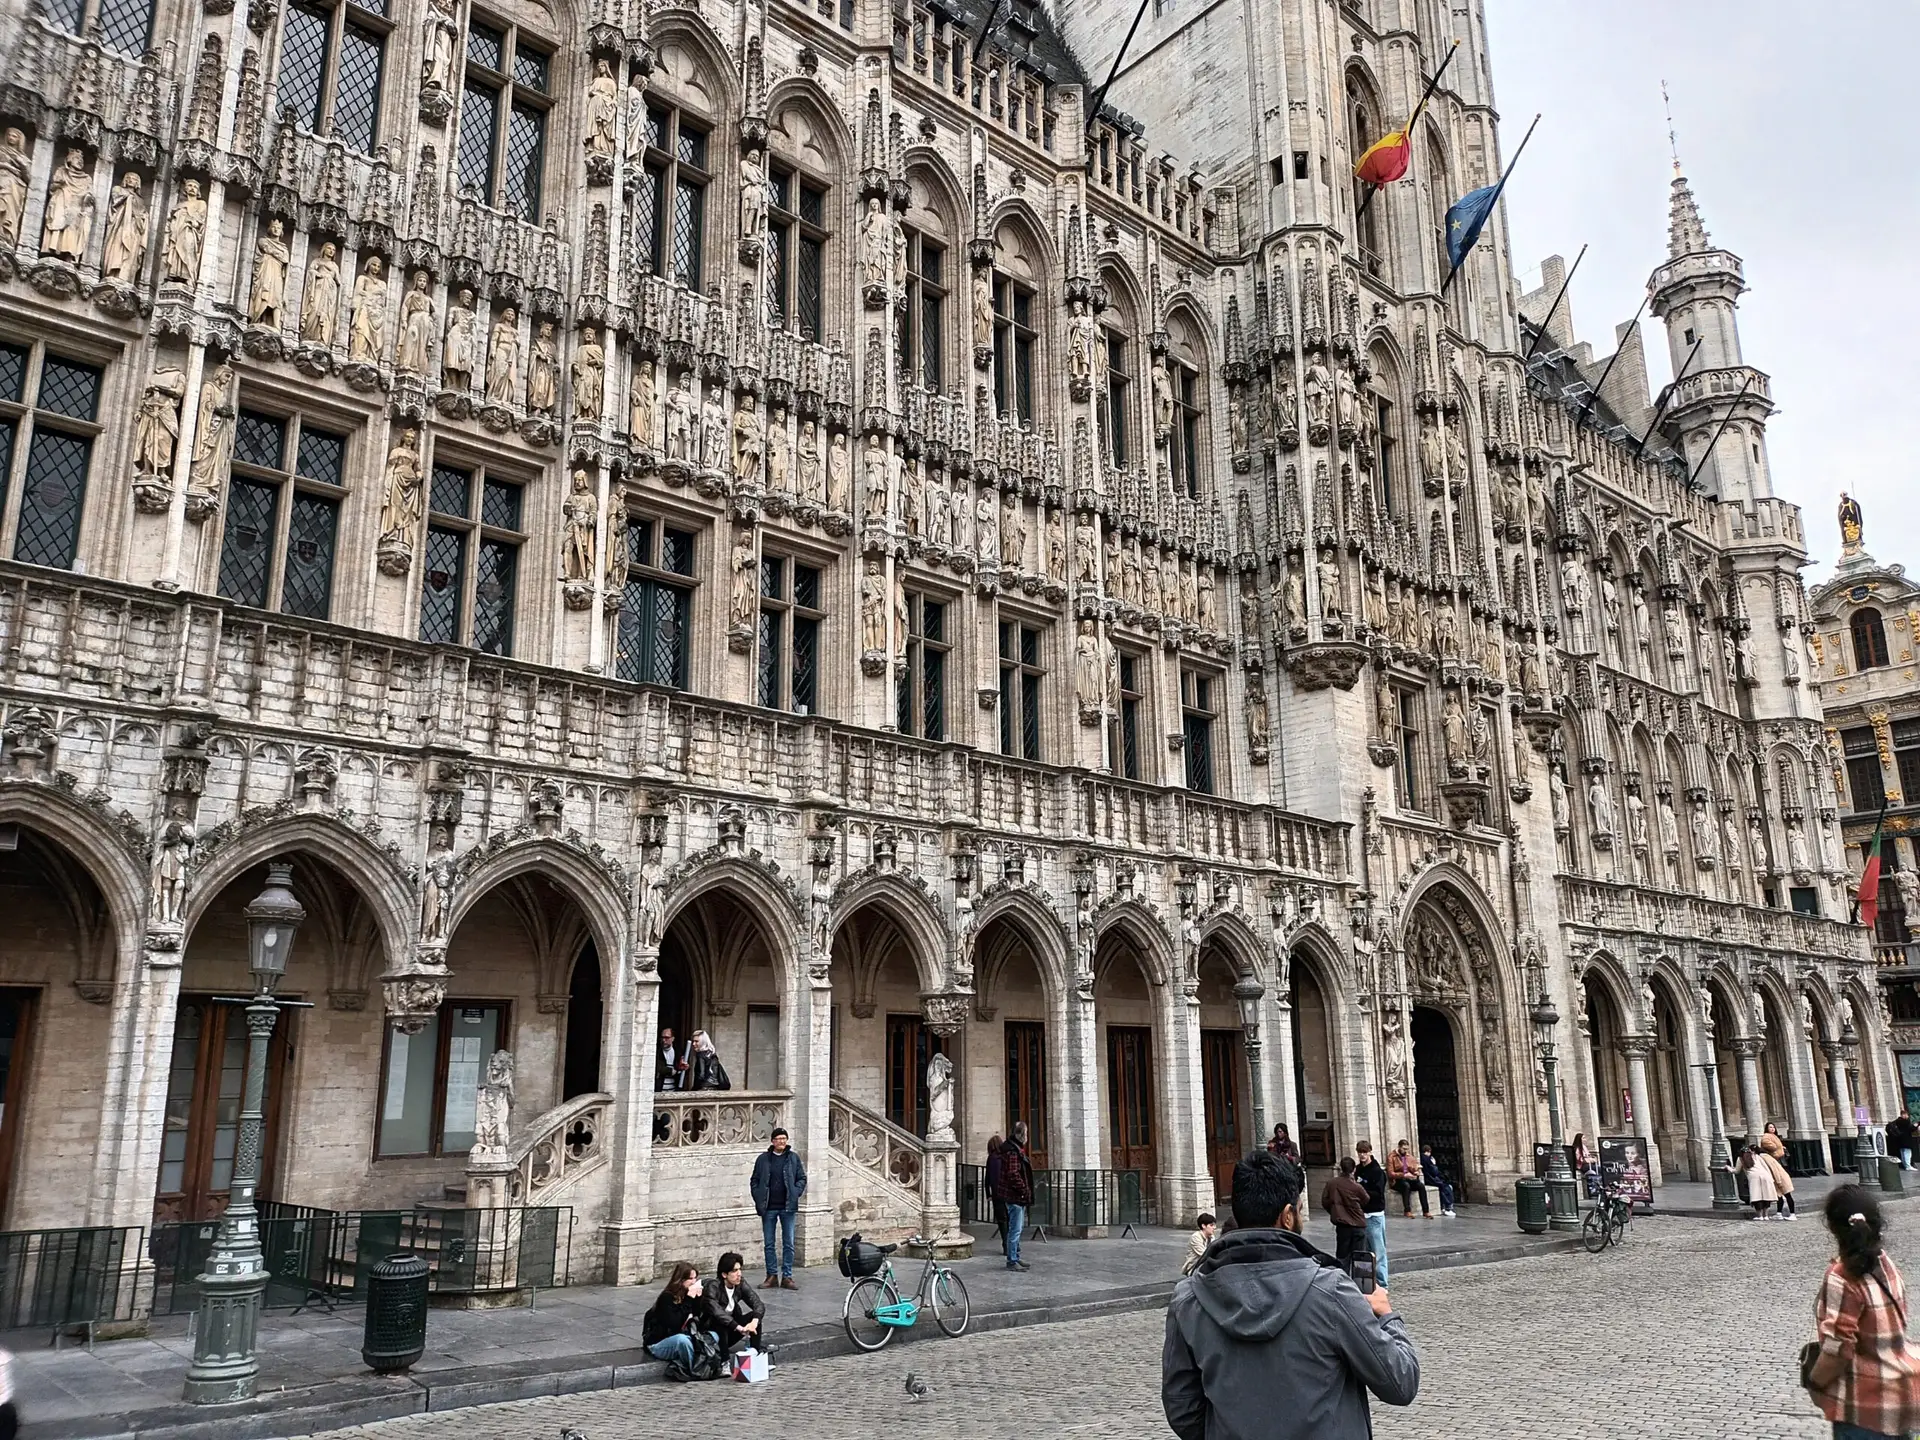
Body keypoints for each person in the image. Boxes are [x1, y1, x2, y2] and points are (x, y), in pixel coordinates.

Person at [1163, 1150, 1419, 1440]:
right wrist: (1386, 1315)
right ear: (1287, 1216)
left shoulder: (1187, 1298)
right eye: (1298, 1209)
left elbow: (1182, 1407)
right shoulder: (1331, 1290)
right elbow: (1401, 1382)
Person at [1804, 1185, 1920, 1439]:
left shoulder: (1843, 1276)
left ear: (1833, 1227)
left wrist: (1815, 1381)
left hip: (1863, 1405)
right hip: (1901, 1396)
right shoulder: (1885, 1263)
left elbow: (1839, 1347)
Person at [749, 1127, 807, 1289]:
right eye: (778, 1139)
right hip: (769, 1207)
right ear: (773, 1141)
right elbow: (754, 1180)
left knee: (788, 1243)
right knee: (769, 1243)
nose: (781, 1141)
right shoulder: (763, 1159)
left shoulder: (793, 1158)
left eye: (784, 1138)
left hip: (788, 1207)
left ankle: (787, 1276)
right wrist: (758, 1196)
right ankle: (771, 1275)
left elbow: (801, 1178)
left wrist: (795, 1192)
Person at [644, 1261, 722, 1378]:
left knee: (713, 1336)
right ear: (681, 1280)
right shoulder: (667, 1298)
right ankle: (695, 1370)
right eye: (690, 1279)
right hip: (660, 1342)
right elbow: (675, 1325)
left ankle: (695, 1362)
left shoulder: (690, 1296)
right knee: (682, 1341)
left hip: (686, 1335)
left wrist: (698, 1300)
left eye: (695, 1278)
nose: (694, 1282)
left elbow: (697, 1323)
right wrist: (689, 1300)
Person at [705, 1251, 769, 1357]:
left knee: (754, 1315)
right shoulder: (713, 1287)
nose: (739, 1274)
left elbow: (757, 1303)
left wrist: (754, 1322)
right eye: (735, 1271)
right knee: (720, 1322)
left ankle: (755, 1354)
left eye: (740, 1269)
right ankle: (724, 1362)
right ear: (724, 1274)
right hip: (712, 1334)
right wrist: (739, 1327)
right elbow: (718, 1313)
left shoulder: (740, 1284)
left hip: (731, 1332)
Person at [1320, 1156, 1370, 1270]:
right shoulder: (1357, 1187)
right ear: (1353, 1170)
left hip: (1342, 1225)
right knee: (1359, 1257)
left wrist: (1335, 1211)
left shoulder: (1331, 1183)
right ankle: (1359, 1283)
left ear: (1341, 1169)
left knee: (1342, 1257)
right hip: (1358, 1225)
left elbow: (1325, 1201)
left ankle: (1344, 1282)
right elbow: (1366, 1200)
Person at [1354, 1141, 1391, 1286]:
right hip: (1361, 1215)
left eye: (1364, 1152)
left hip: (1374, 1214)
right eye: (1360, 1152)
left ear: (1370, 1152)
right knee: (1365, 1251)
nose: (1362, 1155)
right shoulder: (1357, 1170)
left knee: (1378, 1250)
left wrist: (1361, 1192)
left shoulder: (1377, 1171)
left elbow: (1378, 1192)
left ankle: (1382, 1283)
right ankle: (1367, 1282)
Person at [1001, 1120, 1035, 1272]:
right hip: (1014, 1196)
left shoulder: (1013, 1148)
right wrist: (1024, 1190)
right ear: (1021, 1135)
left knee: (1016, 1228)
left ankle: (1016, 1256)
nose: (1027, 1137)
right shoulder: (1012, 1151)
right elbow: (1013, 1174)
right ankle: (1012, 1260)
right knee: (1015, 1229)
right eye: (1026, 1133)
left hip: (1015, 1196)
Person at [1387, 1140, 1429, 1219]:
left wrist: (1415, 1172)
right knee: (1406, 1186)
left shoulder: (1409, 1156)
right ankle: (1407, 1210)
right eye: (1404, 1149)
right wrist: (1403, 1175)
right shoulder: (1392, 1157)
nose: (1405, 1151)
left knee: (1421, 1186)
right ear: (1399, 1147)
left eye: (1407, 1149)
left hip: (1409, 1179)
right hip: (1397, 1181)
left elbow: (1414, 1167)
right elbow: (1390, 1173)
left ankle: (1426, 1211)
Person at [1737, 1145, 1778, 1221]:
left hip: (1754, 1177)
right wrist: (1771, 1179)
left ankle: (1760, 1216)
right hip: (1765, 1175)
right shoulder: (1757, 1156)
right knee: (1766, 1196)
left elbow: (1736, 1171)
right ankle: (1766, 1216)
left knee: (1757, 1196)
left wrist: (1728, 1168)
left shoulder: (1741, 1159)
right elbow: (1766, 1167)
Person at [985, 1134, 1009, 1256]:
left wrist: (988, 1193)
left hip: (996, 1193)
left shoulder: (991, 1158)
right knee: (1010, 1219)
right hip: (1008, 1192)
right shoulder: (1006, 1156)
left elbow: (987, 1178)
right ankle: (1013, 1245)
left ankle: (1006, 1244)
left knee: (1002, 1220)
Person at [1761, 1144, 1798, 1221]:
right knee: (1779, 1197)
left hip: (1781, 1179)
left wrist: (1778, 1181)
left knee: (1787, 1196)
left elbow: (1774, 1170)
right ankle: (1779, 1213)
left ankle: (1792, 1214)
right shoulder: (1767, 1157)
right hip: (1780, 1179)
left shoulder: (1765, 1158)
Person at [1419, 1143, 1457, 1218]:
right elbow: (1434, 1172)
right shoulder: (1427, 1159)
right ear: (1428, 1151)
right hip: (1431, 1179)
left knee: (1445, 1187)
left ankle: (1444, 1207)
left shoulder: (1421, 1158)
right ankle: (1448, 1208)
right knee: (1447, 1187)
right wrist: (1434, 1164)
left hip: (1429, 1179)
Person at [1183, 1213, 1217, 1278]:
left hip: (1205, 1265)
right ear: (1203, 1226)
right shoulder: (1196, 1237)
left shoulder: (1211, 1237)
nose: (1214, 1228)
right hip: (1194, 1267)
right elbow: (1205, 1255)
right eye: (1211, 1225)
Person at [656, 1026, 688, 1091]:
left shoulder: (678, 1051)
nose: (663, 1040)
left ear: (673, 1038)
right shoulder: (656, 1051)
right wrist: (672, 1071)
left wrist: (683, 1068)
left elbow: (683, 1072)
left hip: (674, 1089)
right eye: (662, 1037)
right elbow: (657, 1067)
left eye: (667, 1038)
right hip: (659, 1089)